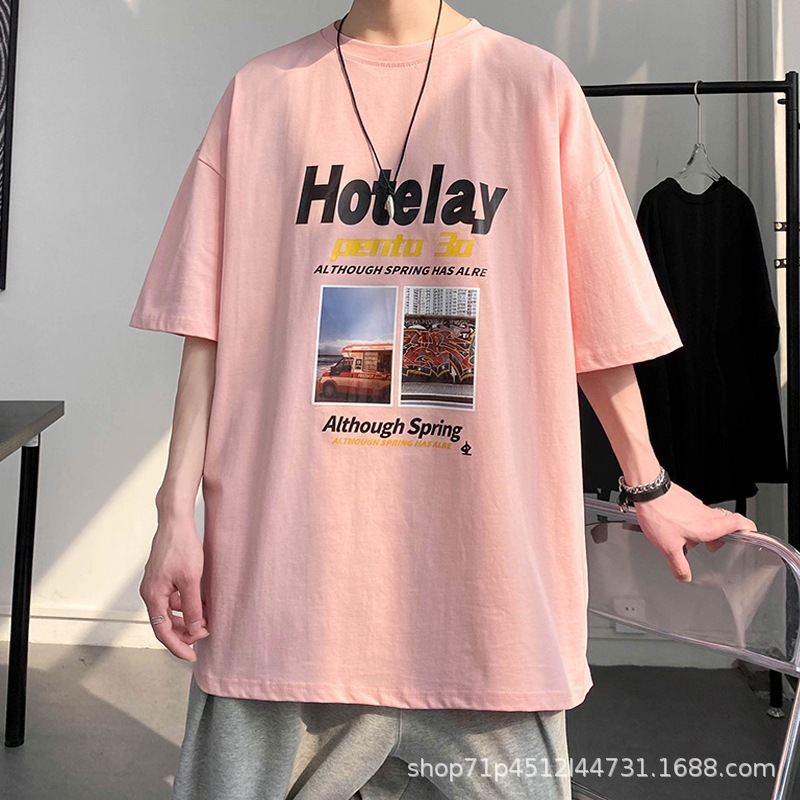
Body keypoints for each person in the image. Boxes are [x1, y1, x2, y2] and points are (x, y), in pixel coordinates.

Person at [129, 2, 758, 798]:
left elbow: (596, 321)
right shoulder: (263, 94)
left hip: (486, 598)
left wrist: (650, 484)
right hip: (287, 589)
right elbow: (206, 325)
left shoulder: (535, 88)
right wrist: (173, 512)